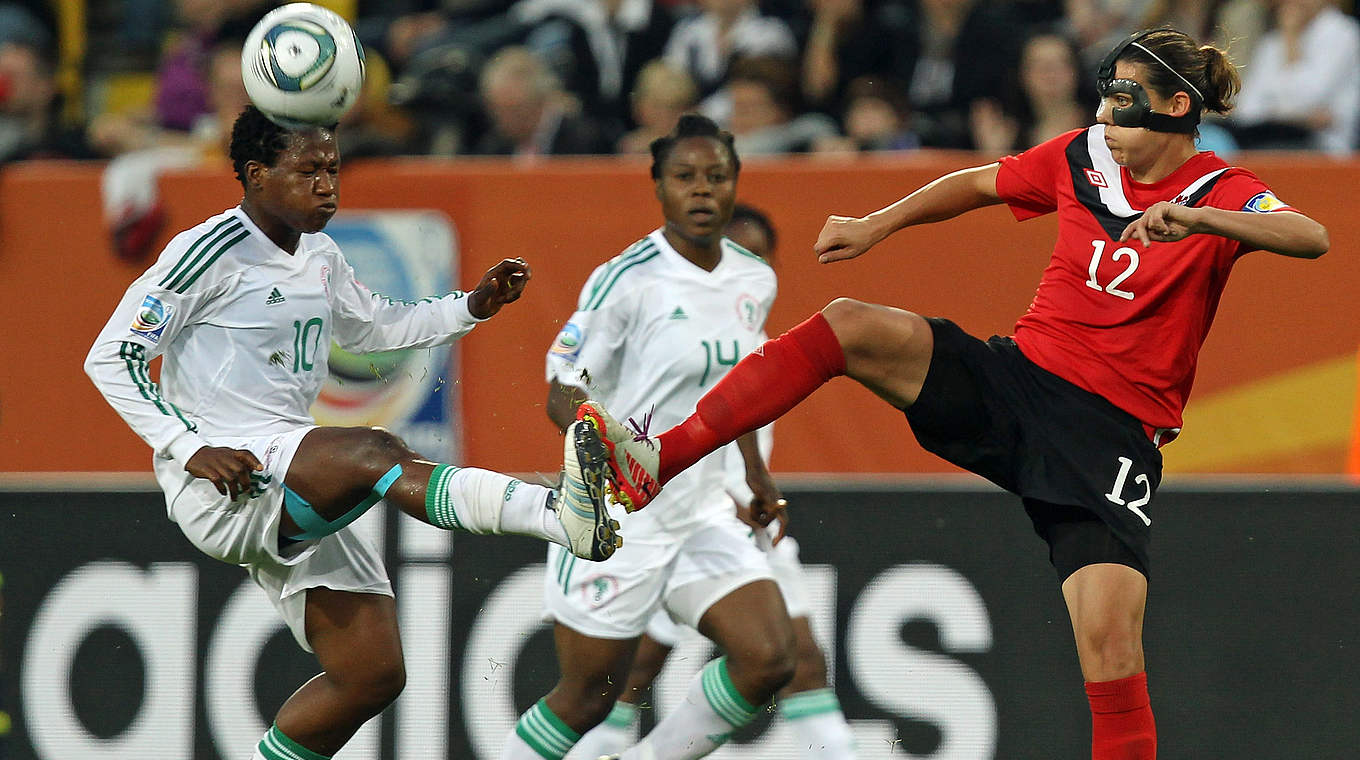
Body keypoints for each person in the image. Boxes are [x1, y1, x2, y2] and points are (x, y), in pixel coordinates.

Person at [567, 28, 1330, 759]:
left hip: (1111, 436)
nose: (1106, 114)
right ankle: (657, 460)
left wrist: (1199, 220)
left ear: (1173, 107)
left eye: (1125, 99)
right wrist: (876, 224)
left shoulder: (1222, 188)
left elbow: (1310, 235)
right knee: (849, 325)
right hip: (1018, 382)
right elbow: (979, 183)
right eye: (1105, 95)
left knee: (1112, 652)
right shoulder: (1085, 153)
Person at [84, 105, 619, 760]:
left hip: (284, 463)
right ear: (256, 174)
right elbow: (112, 356)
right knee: (375, 452)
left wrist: (471, 306)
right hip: (226, 476)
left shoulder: (321, 255)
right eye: (308, 171)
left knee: (371, 675)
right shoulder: (207, 252)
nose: (328, 186)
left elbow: (375, 330)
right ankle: (559, 515)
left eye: (333, 170)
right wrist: (191, 448)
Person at [505, 114, 796, 760]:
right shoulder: (628, 280)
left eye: (716, 177)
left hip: (701, 513)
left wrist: (754, 474)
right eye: (684, 177)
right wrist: (610, 453)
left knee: (769, 656)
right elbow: (562, 387)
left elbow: (741, 385)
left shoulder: (755, 279)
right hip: (621, 515)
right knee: (588, 698)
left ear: (735, 183)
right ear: (658, 187)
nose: (702, 190)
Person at [567, 204, 857, 760]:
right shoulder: (666, 331)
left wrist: (754, 487)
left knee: (797, 658)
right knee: (628, 674)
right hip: (668, 523)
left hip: (736, 523)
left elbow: (739, 430)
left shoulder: (770, 348)